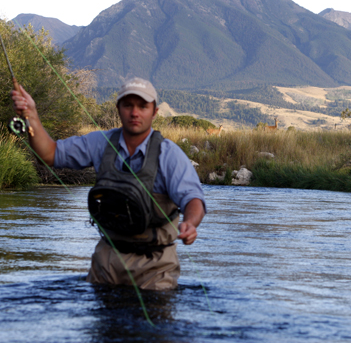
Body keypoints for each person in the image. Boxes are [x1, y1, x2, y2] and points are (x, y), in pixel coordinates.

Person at [11, 77, 206, 290]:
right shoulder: (99, 143)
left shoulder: (169, 155)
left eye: (142, 106)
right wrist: (31, 115)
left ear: (155, 112)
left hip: (156, 264)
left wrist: (190, 223)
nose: (134, 113)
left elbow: (193, 199)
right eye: (128, 105)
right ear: (118, 108)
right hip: (107, 260)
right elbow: (50, 154)